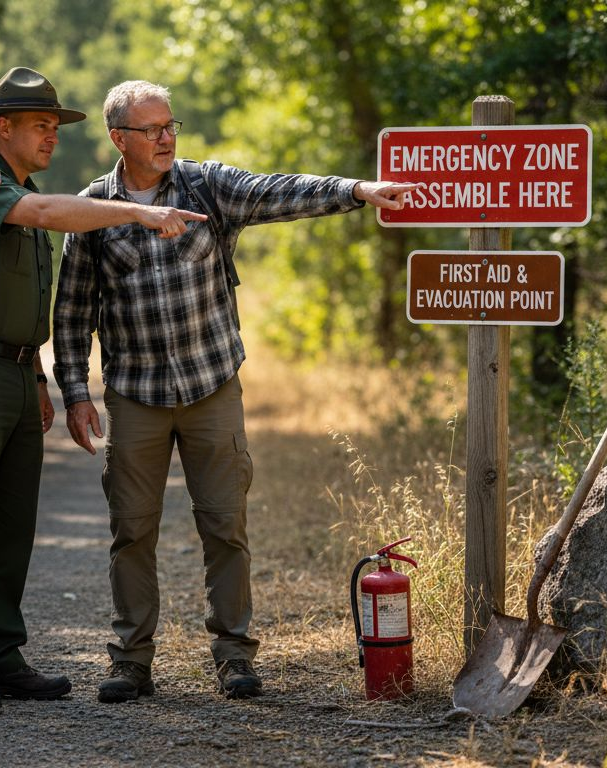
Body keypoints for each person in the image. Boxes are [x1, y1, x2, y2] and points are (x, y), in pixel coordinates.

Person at [52, 79, 421, 703]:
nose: (167, 138)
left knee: (225, 525)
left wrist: (358, 191)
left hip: (211, 384)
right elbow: (72, 310)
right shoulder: (94, 210)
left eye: (171, 125)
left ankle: (234, 656)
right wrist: (74, 391)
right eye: (152, 130)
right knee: (132, 530)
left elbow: (277, 191)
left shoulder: (205, 187)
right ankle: (131, 661)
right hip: (135, 395)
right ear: (119, 139)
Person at [0, 67, 206, 716]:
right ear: (2, 128)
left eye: (55, 126)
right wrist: (136, 209)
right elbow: (46, 215)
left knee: (11, 529)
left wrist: (39, 378)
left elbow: (17, 299)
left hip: (16, 374)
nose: (51, 137)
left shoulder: (27, 190)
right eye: (40, 126)